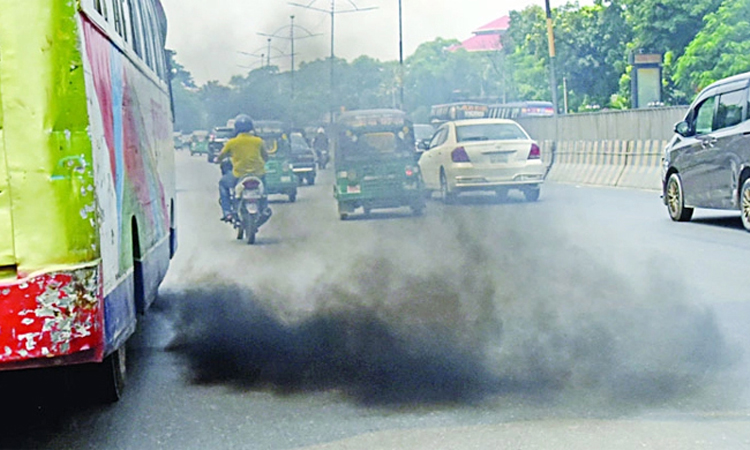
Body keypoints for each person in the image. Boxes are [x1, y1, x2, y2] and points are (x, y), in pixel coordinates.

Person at [217, 114, 268, 221]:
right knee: (264, 190)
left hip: (239, 174)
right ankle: (264, 208)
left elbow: (221, 156)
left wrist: (217, 160)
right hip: (258, 173)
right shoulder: (258, 141)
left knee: (222, 184)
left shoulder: (232, 142)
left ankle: (227, 212)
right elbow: (265, 156)